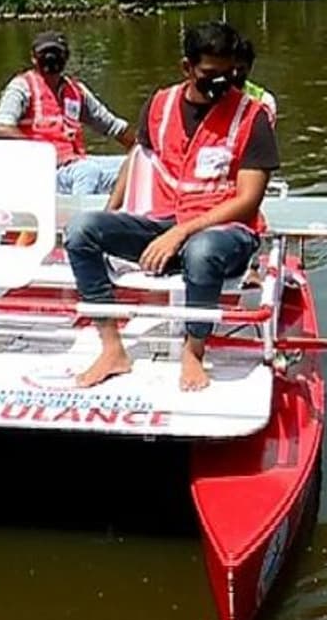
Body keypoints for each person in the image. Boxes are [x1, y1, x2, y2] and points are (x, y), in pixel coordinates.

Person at [64, 21, 281, 391]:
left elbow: (248, 201)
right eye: (210, 74)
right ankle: (112, 348)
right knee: (81, 230)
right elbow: (137, 157)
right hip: (166, 222)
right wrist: (112, 211)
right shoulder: (160, 105)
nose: (221, 83)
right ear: (187, 68)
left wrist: (182, 233)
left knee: (202, 250)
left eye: (229, 74)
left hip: (226, 233)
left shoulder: (252, 116)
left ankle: (193, 350)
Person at [0, 31, 135, 197]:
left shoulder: (76, 91)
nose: (51, 58)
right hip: (40, 170)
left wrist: (141, 149)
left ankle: (119, 207)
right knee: (87, 171)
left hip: (73, 163)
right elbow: (1, 129)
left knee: (134, 166)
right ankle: (80, 212)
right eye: (44, 53)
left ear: (66, 57)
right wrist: (44, 154)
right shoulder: (22, 87)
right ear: (34, 58)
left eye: (56, 53)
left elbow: (112, 125)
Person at [233, 37, 278, 122]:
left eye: (240, 69)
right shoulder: (212, 96)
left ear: (249, 68)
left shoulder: (264, 99)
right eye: (231, 69)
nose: (235, 74)